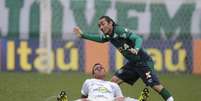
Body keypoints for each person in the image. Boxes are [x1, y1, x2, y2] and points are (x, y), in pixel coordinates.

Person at [73, 16, 174, 101]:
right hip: (133, 63)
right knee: (112, 83)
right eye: (99, 25)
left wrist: (136, 49)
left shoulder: (119, 31)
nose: (101, 27)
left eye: (103, 24)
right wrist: (83, 35)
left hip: (143, 62)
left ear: (111, 23)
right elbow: (100, 39)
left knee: (155, 85)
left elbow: (138, 38)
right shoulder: (109, 35)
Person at [76, 63, 141, 101]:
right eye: (96, 68)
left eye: (101, 68)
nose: (99, 68)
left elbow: (121, 98)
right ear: (93, 74)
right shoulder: (89, 82)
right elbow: (83, 96)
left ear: (105, 72)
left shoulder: (113, 85)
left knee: (122, 99)